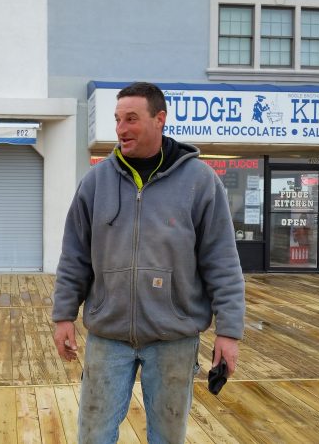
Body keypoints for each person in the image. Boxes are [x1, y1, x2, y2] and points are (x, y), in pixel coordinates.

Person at [52, 82, 245, 443]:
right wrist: (64, 315)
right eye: (117, 119)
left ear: (160, 119)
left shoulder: (200, 182)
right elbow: (74, 255)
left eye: (131, 119)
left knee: (168, 437)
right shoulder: (95, 183)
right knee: (93, 435)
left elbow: (222, 261)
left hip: (174, 337)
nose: (121, 129)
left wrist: (229, 331)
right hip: (108, 337)